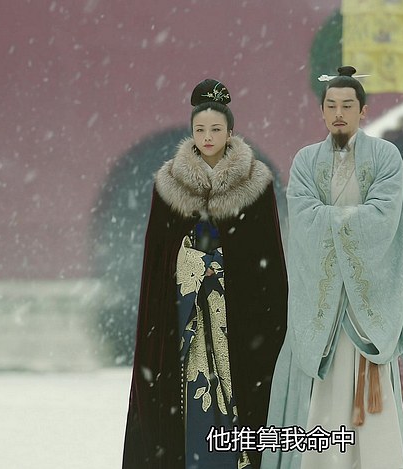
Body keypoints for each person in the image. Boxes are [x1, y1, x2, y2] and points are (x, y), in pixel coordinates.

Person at [122, 79, 288, 469]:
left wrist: (228, 269)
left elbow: (266, 258)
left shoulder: (255, 183)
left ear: (230, 132)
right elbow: (158, 259)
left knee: (241, 397)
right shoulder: (169, 184)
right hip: (185, 317)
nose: (208, 137)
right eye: (200, 129)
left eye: (216, 129)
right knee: (188, 399)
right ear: (191, 133)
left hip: (239, 316)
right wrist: (189, 263)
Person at [264, 66, 403, 469]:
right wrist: (351, 219)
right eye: (331, 105)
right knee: (324, 400)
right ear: (321, 111)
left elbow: (384, 217)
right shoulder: (305, 161)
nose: (339, 113)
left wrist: (331, 218)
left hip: (366, 304)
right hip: (323, 304)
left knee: (374, 412)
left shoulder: (386, 157)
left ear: (363, 110)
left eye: (348, 105)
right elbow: (303, 218)